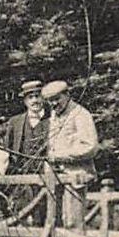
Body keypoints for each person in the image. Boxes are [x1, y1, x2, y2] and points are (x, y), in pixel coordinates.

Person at [43, 80, 98, 228]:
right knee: (55, 223)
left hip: (75, 178)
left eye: (56, 99)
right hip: (56, 179)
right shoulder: (55, 116)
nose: (53, 104)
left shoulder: (80, 114)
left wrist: (60, 156)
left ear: (67, 95)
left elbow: (90, 147)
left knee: (73, 223)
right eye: (49, 101)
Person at [0, 80, 50, 176]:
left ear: (43, 98)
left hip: (47, 174)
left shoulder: (52, 119)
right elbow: (7, 149)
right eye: (30, 97)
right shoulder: (15, 122)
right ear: (25, 101)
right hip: (22, 175)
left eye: (37, 96)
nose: (35, 101)